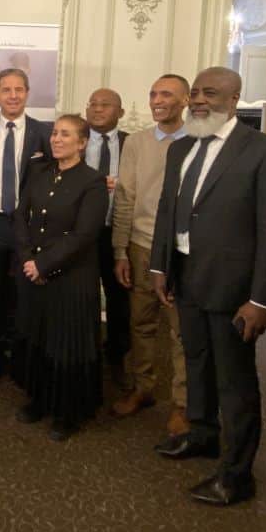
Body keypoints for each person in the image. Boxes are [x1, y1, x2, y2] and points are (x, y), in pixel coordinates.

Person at [149, 67, 266, 506]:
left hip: (234, 289)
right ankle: (202, 435)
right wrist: (160, 267)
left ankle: (236, 474)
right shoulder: (181, 148)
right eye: (194, 93)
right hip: (187, 278)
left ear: (234, 99)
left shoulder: (265, 151)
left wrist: (263, 298)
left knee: (235, 382)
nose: (198, 101)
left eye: (209, 93)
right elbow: (168, 214)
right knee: (197, 365)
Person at [12, 114, 107, 440]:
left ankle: (68, 413)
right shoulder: (39, 172)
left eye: (65, 135)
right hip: (33, 271)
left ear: (82, 143)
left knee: (66, 344)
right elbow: (20, 217)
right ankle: (40, 400)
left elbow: (84, 235)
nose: (56, 139)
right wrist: (28, 260)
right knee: (38, 338)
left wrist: (44, 265)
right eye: (54, 133)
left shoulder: (93, 181)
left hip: (71, 278)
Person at [111, 75, 190, 438]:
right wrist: (120, 250)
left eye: (167, 95)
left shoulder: (199, 142)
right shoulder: (137, 143)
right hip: (141, 246)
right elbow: (125, 197)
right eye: (154, 94)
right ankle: (143, 387)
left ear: (186, 100)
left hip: (182, 252)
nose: (158, 101)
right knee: (140, 324)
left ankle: (182, 404)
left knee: (181, 332)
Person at [0, 68, 51, 391]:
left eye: (19, 89)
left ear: (28, 93)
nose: (13, 95)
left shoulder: (44, 133)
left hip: (28, 228)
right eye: (6, 90)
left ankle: (20, 358)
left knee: (24, 294)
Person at [84, 88, 129, 385]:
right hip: (83, 233)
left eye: (105, 105)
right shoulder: (74, 139)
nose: (98, 109)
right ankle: (85, 354)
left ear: (120, 113)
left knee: (119, 298)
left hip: (119, 232)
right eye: (93, 104)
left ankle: (117, 356)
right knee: (83, 296)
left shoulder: (133, 144)